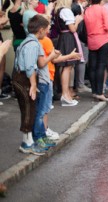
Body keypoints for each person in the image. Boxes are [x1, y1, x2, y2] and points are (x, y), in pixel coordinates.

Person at [14, 15, 58, 155]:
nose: (47, 32)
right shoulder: (33, 44)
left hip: (24, 78)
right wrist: (33, 84)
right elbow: (30, 67)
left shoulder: (32, 42)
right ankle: (27, 144)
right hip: (24, 79)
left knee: (31, 110)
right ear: (40, 30)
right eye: (46, 29)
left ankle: (30, 141)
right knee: (29, 110)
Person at [84, 0, 108, 102]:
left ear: (91, 0)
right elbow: (107, 27)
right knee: (101, 66)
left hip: (91, 40)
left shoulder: (87, 10)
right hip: (103, 40)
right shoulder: (102, 9)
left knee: (92, 66)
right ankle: (99, 92)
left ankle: (94, 91)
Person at [54, 0, 84, 106]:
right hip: (68, 38)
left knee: (66, 67)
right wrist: (77, 21)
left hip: (63, 37)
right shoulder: (66, 10)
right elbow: (73, 29)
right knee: (67, 67)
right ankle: (65, 95)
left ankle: (65, 95)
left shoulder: (59, 10)